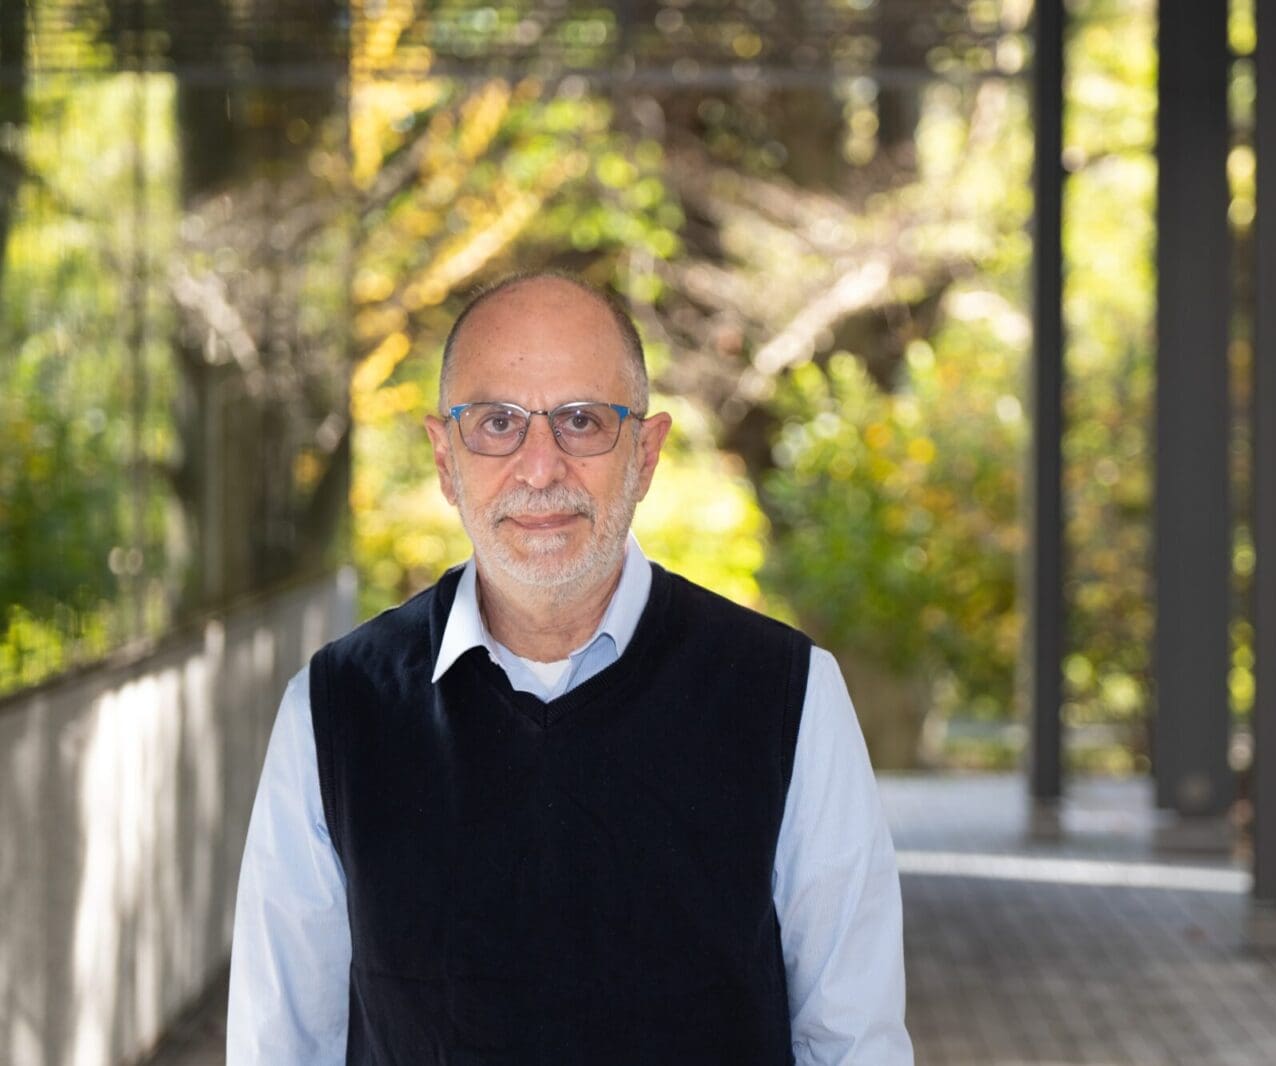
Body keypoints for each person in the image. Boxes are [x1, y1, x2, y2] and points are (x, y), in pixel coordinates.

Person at [226, 272, 913, 1065]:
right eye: (497, 424)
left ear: (646, 455)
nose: (540, 466)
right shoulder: (335, 710)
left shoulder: (787, 697)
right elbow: (281, 1047)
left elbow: (854, 1043)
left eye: (582, 421)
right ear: (445, 457)